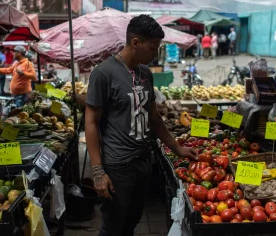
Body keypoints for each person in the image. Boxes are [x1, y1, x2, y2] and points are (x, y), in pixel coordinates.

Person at [85, 15, 198, 236]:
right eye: (153, 48)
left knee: (133, 219)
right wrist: (98, 172)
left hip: (143, 161)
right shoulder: (103, 73)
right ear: (136, 43)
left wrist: (177, 148)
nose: (156, 54)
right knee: (112, 226)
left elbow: (154, 117)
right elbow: (90, 123)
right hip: (118, 165)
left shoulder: (145, 73)